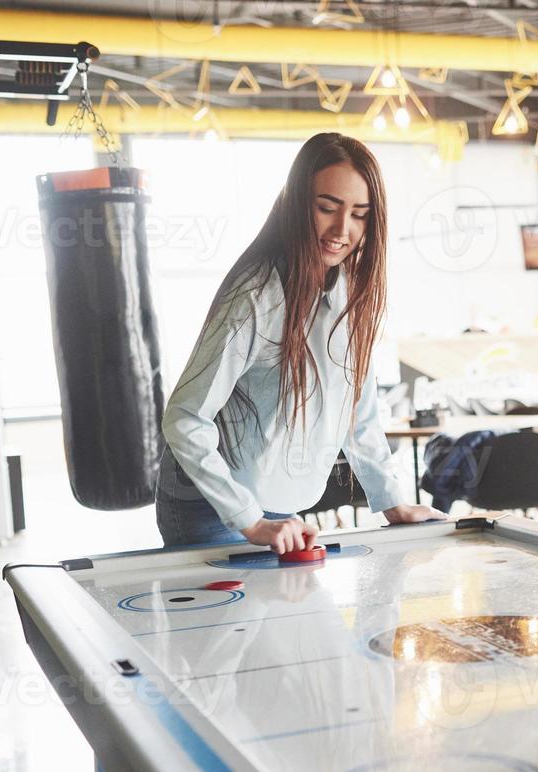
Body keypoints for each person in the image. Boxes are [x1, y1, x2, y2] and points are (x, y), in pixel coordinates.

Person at [159, 133, 443, 550]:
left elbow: (358, 415)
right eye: (326, 208)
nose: (341, 230)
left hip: (274, 509)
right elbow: (184, 418)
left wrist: (392, 502)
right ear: (296, 204)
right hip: (209, 506)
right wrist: (250, 520)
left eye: (359, 214)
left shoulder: (352, 290)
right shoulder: (255, 295)